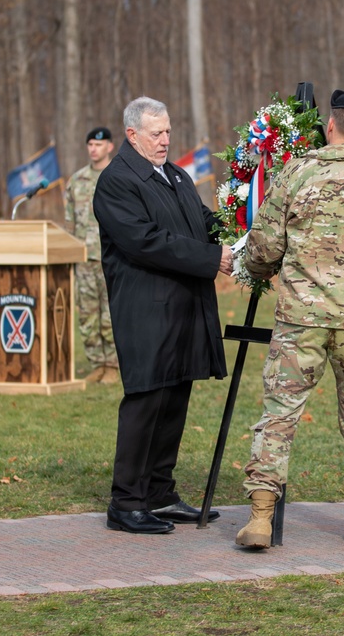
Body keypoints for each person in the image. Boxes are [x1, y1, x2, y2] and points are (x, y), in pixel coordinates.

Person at [236, 89, 344, 549]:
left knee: (280, 415)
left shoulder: (300, 169)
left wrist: (257, 270)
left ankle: (261, 521)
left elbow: (264, 247)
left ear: (331, 125)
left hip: (301, 319)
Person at [92, 96, 231, 535]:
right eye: (156, 133)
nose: (165, 140)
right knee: (147, 400)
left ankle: (159, 493)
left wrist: (237, 220)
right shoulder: (117, 181)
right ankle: (127, 501)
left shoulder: (174, 175)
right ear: (132, 135)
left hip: (184, 307)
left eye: (168, 131)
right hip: (146, 310)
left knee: (175, 398)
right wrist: (213, 259)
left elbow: (199, 221)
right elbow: (146, 241)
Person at [64, 127, 119, 384]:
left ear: (110, 146)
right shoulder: (77, 181)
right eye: (90, 144)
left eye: (99, 144)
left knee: (111, 312)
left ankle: (115, 365)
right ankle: (97, 363)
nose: (93, 149)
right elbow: (70, 223)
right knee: (88, 314)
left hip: (111, 256)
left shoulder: (117, 178)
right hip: (84, 258)